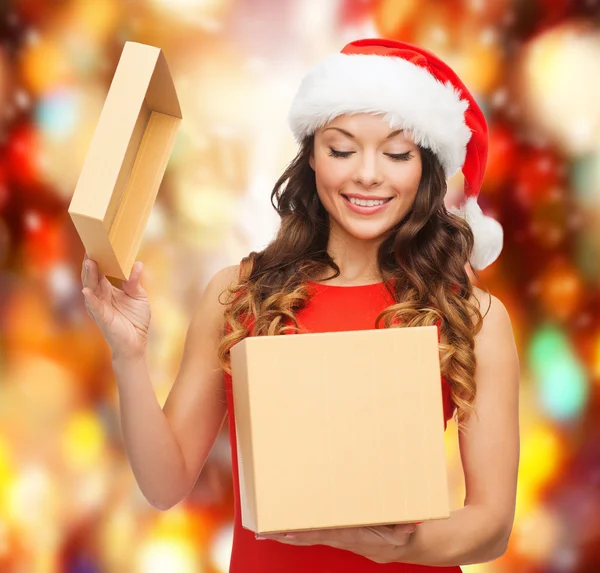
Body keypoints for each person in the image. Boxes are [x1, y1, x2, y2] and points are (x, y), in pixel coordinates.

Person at [81, 38, 520, 572]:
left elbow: (492, 524)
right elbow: (165, 483)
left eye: (397, 154)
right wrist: (128, 356)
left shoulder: (472, 316)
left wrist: (393, 547)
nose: (368, 175)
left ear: (425, 167)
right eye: (341, 149)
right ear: (311, 155)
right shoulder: (239, 294)